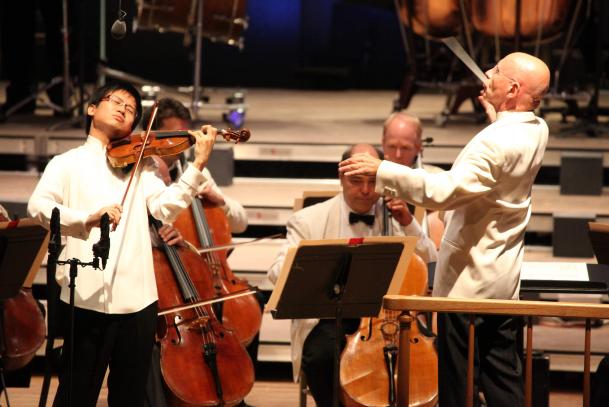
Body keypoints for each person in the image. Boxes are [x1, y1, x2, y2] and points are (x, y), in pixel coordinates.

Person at [339, 52, 551, 407]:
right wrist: (497, 116)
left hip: (468, 288)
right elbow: (506, 142)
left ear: (513, 89)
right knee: (502, 379)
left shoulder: (494, 142)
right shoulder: (536, 129)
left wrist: (382, 170)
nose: (487, 73)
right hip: (501, 282)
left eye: (496, 71)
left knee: (459, 387)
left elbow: (443, 193)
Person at [27, 81, 217, 407]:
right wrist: (86, 218)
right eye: (115, 101)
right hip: (84, 296)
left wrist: (197, 165)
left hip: (138, 303)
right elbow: (38, 207)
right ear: (91, 109)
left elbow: (164, 207)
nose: (122, 109)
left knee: (130, 398)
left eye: (130, 110)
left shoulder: (140, 166)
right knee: (76, 395)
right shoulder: (66, 163)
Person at [267, 143, 437, 406]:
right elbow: (277, 275)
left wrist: (407, 222)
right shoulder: (307, 220)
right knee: (322, 355)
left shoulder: (397, 217)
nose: (366, 190)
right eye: (356, 181)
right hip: (332, 319)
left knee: (441, 355)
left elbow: (430, 260)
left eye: (372, 181)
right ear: (341, 178)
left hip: (394, 319)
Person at [141, 97, 253, 407]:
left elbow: (241, 221)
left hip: (200, 277)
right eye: (172, 136)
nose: (181, 143)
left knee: (240, 314)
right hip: (160, 282)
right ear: (155, 137)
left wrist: (219, 199)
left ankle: (233, 396)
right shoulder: (144, 173)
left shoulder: (191, 170)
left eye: (185, 135)